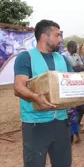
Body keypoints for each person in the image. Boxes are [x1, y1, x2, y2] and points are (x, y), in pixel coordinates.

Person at [13, 20, 74, 167]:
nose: (60, 39)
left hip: (61, 121)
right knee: (34, 163)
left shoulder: (63, 59)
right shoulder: (26, 57)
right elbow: (18, 87)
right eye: (57, 35)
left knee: (63, 163)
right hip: (35, 124)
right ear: (44, 36)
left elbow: (73, 83)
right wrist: (35, 97)